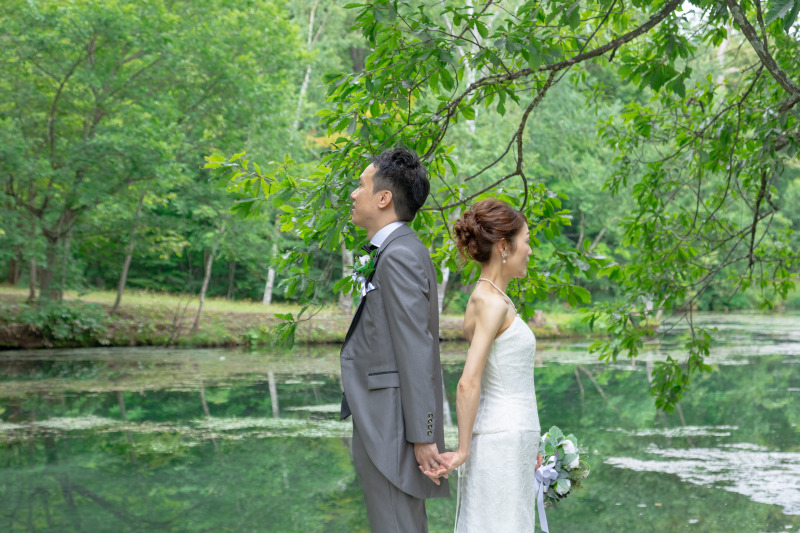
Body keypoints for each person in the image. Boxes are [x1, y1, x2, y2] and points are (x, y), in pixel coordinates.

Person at [339, 147, 450, 532]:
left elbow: (416, 349)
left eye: (361, 186)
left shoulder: (399, 255)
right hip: (383, 422)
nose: (354, 194)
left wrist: (423, 436)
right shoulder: (392, 251)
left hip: (394, 429)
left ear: (384, 198)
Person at [426, 198, 542, 531]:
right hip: (501, 438)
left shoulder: (493, 298)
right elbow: (468, 382)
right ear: (505, 246)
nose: (530, 251)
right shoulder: (490, 303)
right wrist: (461, 451)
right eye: (527, 241)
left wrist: (531, 442)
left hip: (512, 436)